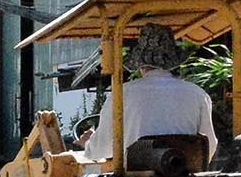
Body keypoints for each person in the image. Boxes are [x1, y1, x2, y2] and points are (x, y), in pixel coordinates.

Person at [82, 23, 217, 164]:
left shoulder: (121, 94)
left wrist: (88, 145)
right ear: (172, 62)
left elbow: (102, 148)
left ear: (140, 63)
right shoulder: (198, 94)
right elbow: (209, 145)